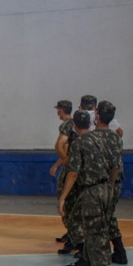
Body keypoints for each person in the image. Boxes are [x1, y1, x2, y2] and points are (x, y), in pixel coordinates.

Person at [57, 110, 113, 266]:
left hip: (92, 191)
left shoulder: (79, 143)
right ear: (89, 124)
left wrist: (63, 198)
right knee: (79, 223)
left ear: (74, 125)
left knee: (95, 232)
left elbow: (73, 173)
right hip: (104, 188)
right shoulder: (100, 139)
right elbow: (113, 165)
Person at [92, 101, 128, 265]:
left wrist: (109, 187)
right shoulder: (116, 137)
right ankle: (119, 251)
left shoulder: (94, 137)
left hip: (102, 182)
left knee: (97, 219)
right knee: (107, 216)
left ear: (97, 114)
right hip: (113, 181)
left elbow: (112, 166)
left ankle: (98, 260)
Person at [50, 100, 76, 253]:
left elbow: (62, 147)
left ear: (61, 110)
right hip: (72, 165)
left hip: (70, 169)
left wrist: (62, 162)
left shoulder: (66, 125)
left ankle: (73, 236)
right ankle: (71, 233)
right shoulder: (75, 124)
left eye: (58, 110)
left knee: (65, 200)